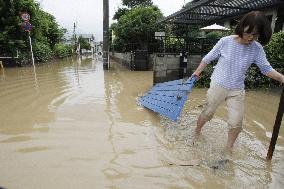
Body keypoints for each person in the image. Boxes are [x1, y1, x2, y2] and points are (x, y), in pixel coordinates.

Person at [192, 11, 284, 149]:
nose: (251, 37)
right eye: (248, 33)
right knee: (208, 112)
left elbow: (266, 69)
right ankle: (197, 132)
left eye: (256, 35)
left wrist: (282, 77)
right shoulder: (225, 42)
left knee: (236, 123)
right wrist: (197, 72)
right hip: (219, 84)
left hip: (237, 89)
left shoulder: (257, 49)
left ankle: (228, 150)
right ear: (242, 27)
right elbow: (208, 58)